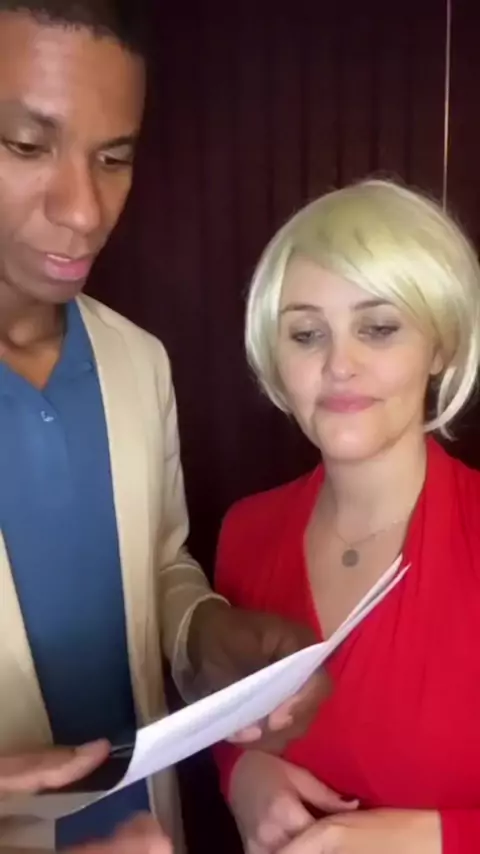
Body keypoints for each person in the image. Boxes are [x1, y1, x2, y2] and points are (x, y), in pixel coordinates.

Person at [0, 2, 330, 852]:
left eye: (114, 158)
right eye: (27, 146)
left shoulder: (137, 361)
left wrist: (208, 637)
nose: (85, 210)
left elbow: (157, 564)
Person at [213, 179, 480, 854]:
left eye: (379, 328)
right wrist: (243, 774)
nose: (339, 364)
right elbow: (231, 721)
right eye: (307, 334)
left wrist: (430, 838)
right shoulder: (245, 534)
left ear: (440, 346)